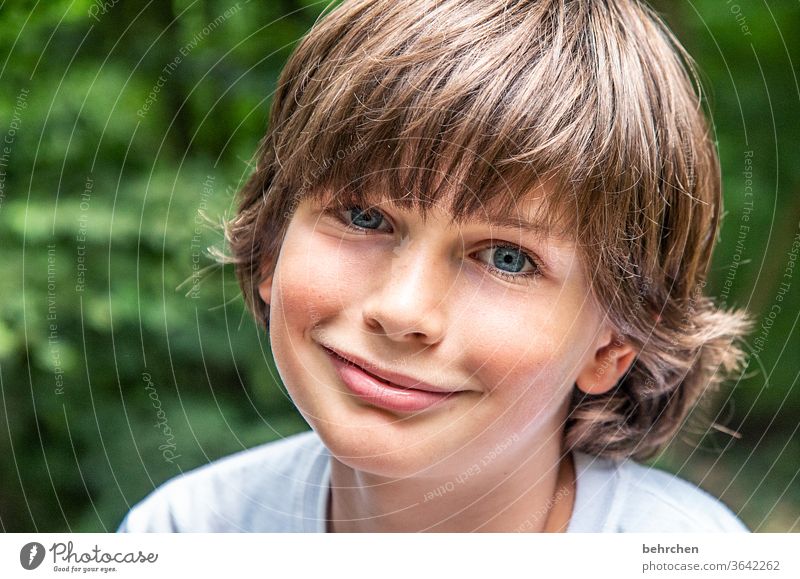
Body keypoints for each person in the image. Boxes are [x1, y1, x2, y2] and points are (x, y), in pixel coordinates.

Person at [117, 0, 753, 533]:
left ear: (614, 340)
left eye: (508, 258)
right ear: (272, 241)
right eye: (364, 218)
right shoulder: (184, 533)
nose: (402, 311)